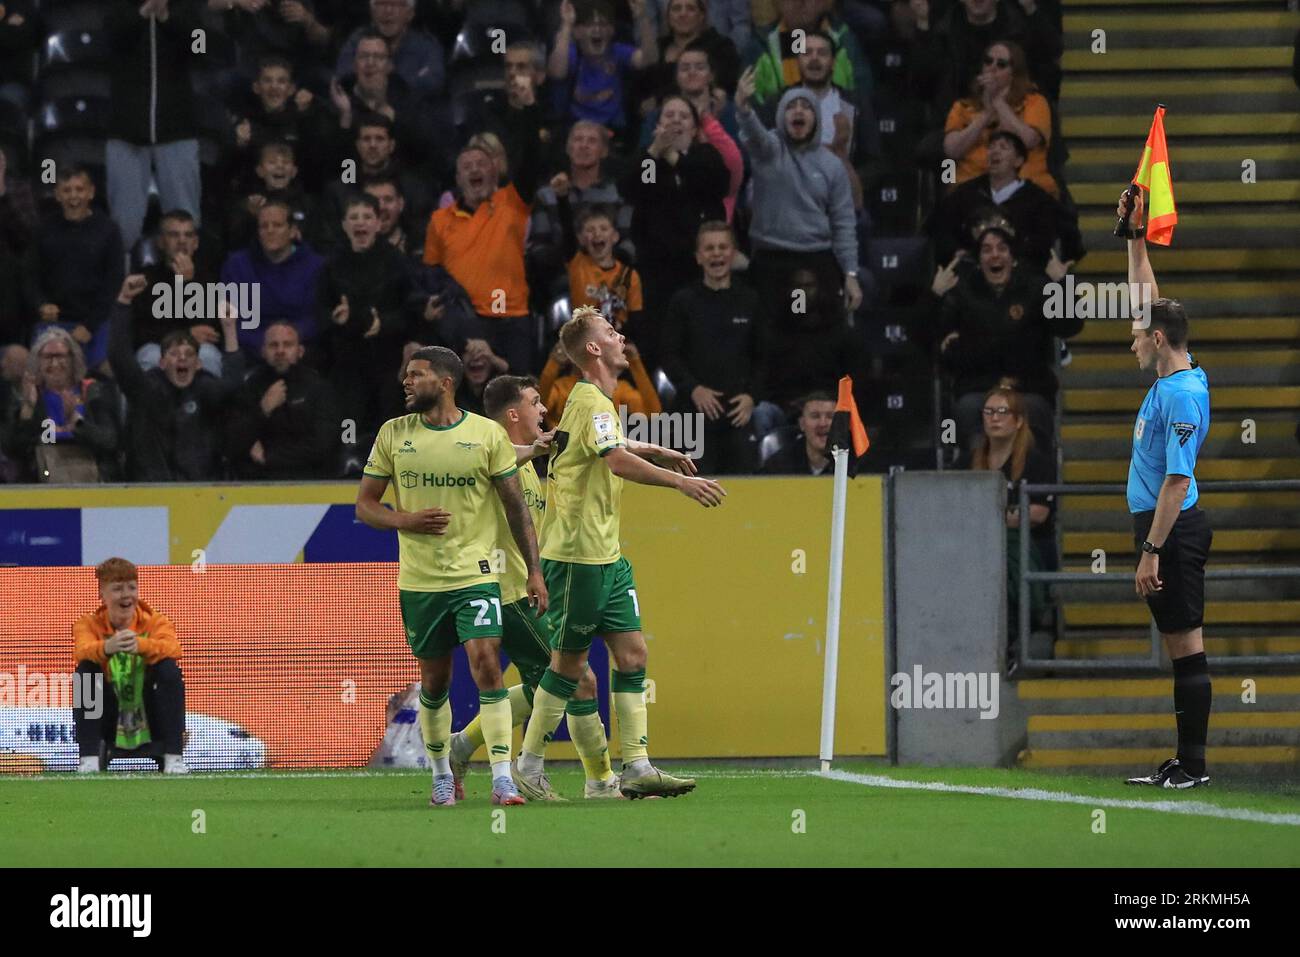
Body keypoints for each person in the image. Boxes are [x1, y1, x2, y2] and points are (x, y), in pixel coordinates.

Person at [511, 306, 725, 801]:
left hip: (607, 556)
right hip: (576, 555)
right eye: (610, 331)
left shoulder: (592, 403)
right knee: (568, 666)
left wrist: (657, 449)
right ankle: (529, 763)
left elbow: (600, 445)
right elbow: (613, 459)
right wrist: (680, 483)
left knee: (633, 655)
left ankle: (637, 767)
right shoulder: (590, 400)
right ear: (593, 349)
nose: (619, 334)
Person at [355, 346, 547, 807]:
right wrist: (407, 521)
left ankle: (502, 775)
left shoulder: (485, 435)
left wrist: (534, 572)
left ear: (444, 382)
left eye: (416, 375)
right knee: (436, 682)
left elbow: (515, 507)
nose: (406, 381)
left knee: (487, 665)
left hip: (475, 573)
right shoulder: (393, 434)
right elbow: (364, 506)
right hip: (420, 581)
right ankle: (442, 772)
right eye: (406, 374)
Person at [448, 375, 623, 800]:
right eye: (535, 401)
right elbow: (500, 458)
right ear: (513, 414)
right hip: (504, 591)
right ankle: (597, 781)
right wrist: (540, 449)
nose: (544, 410)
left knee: (546, 683)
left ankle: (464, 744)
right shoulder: (491, 451)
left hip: (524, 589)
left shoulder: (526, 466)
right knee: (576, 676)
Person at [1118, 189, 1214, 791]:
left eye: (1138, 334)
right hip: (1163, 528)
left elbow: (1178, 481)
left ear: (1158, 340)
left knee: (1185, 645)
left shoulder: (1180, 395)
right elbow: (1145, 294)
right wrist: (1134, 236)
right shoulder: (1174, 368)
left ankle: (1193, 766)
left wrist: (1151, 550)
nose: (1131, 338)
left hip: (1172, 530)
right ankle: (1186, 762)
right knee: (1180, 643)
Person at [930, 223, 1080, 452]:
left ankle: (1032, 484)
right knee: (967, 410)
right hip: (977, 389)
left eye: (1001, 248)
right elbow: (929, 337)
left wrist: (1063, 284)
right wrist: (934, 296)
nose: (995, 255)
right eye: (987, 250)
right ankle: (980, 479)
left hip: (1028, 389)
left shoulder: (1035, 289)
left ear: (1012, 257)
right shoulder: (962, 292)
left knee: (1035, 412)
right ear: (979, 260)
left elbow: (1070, 327)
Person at [736, 69, 863, 322]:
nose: (798, 111)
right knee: (770, 340)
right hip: (770, 259)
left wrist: (850, 274)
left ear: (815, 117)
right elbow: (755, 136)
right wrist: (743, 108)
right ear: (781, 116)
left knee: (818, 336)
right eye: (791, 106)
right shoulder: (769, 150)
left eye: (805, 106)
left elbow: (843, 223)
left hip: (816, 258)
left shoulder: (832, 164)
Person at [423, 123, 544, 377]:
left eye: (482, 164)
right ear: (458, 179)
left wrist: (527, 111)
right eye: (467, 167)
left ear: (495, 172)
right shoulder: (440, 219)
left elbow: (532, 160)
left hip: (511, 318)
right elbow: (432, 271)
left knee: (519, 394)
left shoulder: (513, 202)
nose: (475, 170)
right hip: (466, 324)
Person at [621, 93, 729, 366]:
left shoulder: (706, 155)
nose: (676, 121)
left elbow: (712, 182)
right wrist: (656, 153)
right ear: (657, 125)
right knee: (655, 339)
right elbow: (631, 188)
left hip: (698, 268)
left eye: (683, 116)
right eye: (669, 115)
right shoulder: (649, 160)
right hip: (655, 267)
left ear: (694, 129)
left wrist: (675, 158)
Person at [108, 274, 246, 481]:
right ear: (162, 363)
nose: (182, 358)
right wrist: (124, 301)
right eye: (174, 354)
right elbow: (120, 357)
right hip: (151, 491)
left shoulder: (205, 387)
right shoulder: (147, 389)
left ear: (198, 364)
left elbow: (234, 385)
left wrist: (229, 328)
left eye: (189, 354)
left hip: (199, 492)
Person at [661, 221, 763, 474]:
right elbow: (668, 355)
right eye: (709, 248)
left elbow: (763, 356)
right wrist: (694, 389)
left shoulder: (750, 299)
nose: (716, 253)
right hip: (692, 412)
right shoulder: (683, 301)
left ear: (733, 254)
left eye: (722, 247)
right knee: (697, 485)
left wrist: (752, 396)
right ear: (698, 257)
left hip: (738, 412)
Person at [961, 384, 1056, 649]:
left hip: (1026, 546)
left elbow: (1037, 513)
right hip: (976, 547)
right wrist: (1006, 515)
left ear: (1019, 421)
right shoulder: (968, 461)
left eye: (1002, 412)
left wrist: (988, 518)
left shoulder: (1037, 461)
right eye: (989, 411)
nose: (994, 418)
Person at [105, 0, 203, 255]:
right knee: (123, 225)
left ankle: (188, 286)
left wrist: (166, 18)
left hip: (177, 129)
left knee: (185, 220)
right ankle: (122, 288)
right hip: (126, 130)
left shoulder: (186, 6)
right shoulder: (118, 7)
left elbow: (200, 46)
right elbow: (110, 41)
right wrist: (143, 13)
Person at [72, 557, 187, 774]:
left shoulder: (155, 621)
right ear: (102, 594)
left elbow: (174, 649)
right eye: (117, 589)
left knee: (169, 670)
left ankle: (174, 758)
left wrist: (141, 645)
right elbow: (81, 651)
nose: (126, 595)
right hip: (109, 713)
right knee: (86, 671)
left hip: (149, 710)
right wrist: (107, 647)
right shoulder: (87, 624)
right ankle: (88, 760)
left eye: (132, 588)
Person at [317, 193, 412, 441]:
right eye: (354, 217)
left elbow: (410, 311)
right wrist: (336, 319)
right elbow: (319, 312)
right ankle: (348, 454)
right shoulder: (332, 265)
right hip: (346, 353)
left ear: (378, 223)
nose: (360, 223)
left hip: (388, 352)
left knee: (391, 393)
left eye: (367, 216)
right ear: (344, 225)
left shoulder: (396, 261)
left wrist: (384, 324)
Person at [927, 129, 1081, 277]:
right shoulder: (966, 193)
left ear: (1019, 160)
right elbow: (940, 228)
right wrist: (956, 251)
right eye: (991, 147)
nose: (994, 151)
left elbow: (1048, 240)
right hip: (971, 277)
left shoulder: (1037, 199)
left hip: (1024, 279)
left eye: (1003, 147)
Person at [22, 166, 125, 370]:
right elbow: (29, 277)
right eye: (67, 190)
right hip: (54, 321)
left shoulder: (109, 230)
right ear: (57, 195)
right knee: (42, 369)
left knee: (111, 368)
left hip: (97, 322)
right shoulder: (43, 229)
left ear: (91, 192)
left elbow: (113, 283)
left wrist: (89, 325)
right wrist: (41, 304)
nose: (74, 196)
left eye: (79, 189)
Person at [942, 39, 1058, 198]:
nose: (992, 68)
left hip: (1025, 190)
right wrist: (986, 114)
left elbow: (1028, 141)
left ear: (1014, 74)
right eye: (988, 61)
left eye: (1001, 64)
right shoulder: (962, 106)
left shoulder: (1035, 101)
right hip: (972, 190)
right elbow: (952, 150)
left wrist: (998, 102)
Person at [3, 329, 122, 483]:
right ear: (37, 362)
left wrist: (76, 422)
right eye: (47, 357)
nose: (54, 363)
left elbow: (110, 441)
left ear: (73, 359)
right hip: (40, 481)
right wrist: (28, 408)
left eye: (60, 356)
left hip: (95, 480)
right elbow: (13, 449)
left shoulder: (94, 391)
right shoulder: (29, 394)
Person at [225, 320, 339, 479]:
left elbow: (324, 445)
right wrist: (263, 409)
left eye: (287, 345)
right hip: (259, 482)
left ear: (300, 351)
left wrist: (271, 457)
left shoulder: (318, 388)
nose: (280, 350)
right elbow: (232, 443)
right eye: (273, 345)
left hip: (310, 481)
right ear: (263, 351)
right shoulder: (250, 387)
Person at [220, 201, 327, 355]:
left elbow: (315, 318)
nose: (270, 231)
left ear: (292, 231)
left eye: (277, 225)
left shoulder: (316, 266)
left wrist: (286, 344)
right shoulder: (237, 265)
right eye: (264, 226)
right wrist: (266, 345)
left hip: (299, 352)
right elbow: (232, 320)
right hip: (251, 351)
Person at [131, 211, 223, 378]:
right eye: (174, 235)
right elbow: (140, 331)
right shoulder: (145, 278)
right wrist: (185, 333)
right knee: (149, 357)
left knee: (209, 356)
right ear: (160, 242)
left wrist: (187, 284)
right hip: (157, 346)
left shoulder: (210, 277)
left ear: (195, 243)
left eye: (188, 235)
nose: (182, 241)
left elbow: (211, 330)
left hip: (198, 348)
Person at [549, 0, 658, 136]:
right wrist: (567, 25)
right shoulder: (571, 54)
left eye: (603, 24)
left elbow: (649, 59)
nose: (597, 29)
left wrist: (642, 18)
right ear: (577, 32)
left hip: (614, 131)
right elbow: (557, 72)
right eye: (589, 24)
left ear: (612, 30)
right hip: (576, 129)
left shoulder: (617, 52)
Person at [745, 0, 873, 107]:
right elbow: (751, 107)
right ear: (778, 3)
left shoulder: (844, 40)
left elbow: (863, 100)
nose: (800, 3)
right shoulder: (761, 46)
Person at [334, 0, 445, 100]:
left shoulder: (426, 46)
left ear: (410, 13)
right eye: (382, 4)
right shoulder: (357, 40)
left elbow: (433, 82)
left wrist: (389, 81)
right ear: (372, 11)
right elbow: (343, 76)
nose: (388, 11)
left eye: (396, 4)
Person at [761, 391, 835, 475]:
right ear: (802, 424)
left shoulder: (851, 462)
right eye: (815, 416)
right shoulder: (779, 464)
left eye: (830, 417)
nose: (822, 423)